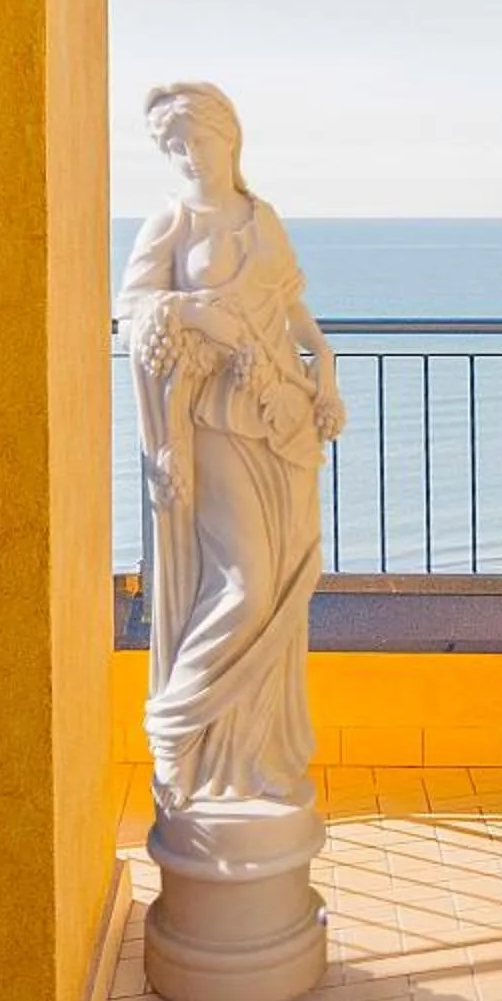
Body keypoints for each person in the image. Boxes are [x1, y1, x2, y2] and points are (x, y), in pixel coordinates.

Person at [118, 82, 345, 811]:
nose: (185, 155)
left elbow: (292, 310)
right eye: (171, 145)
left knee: (289, 576)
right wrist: (196, 313)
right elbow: (134, 311)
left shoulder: (262, 217)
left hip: (283, 415)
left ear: (228, 137)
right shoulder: (172, 220)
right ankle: (176, 727)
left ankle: (256, 755)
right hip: (216, 420)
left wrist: (327, 377)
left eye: (194, 138)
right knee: (246, 583)